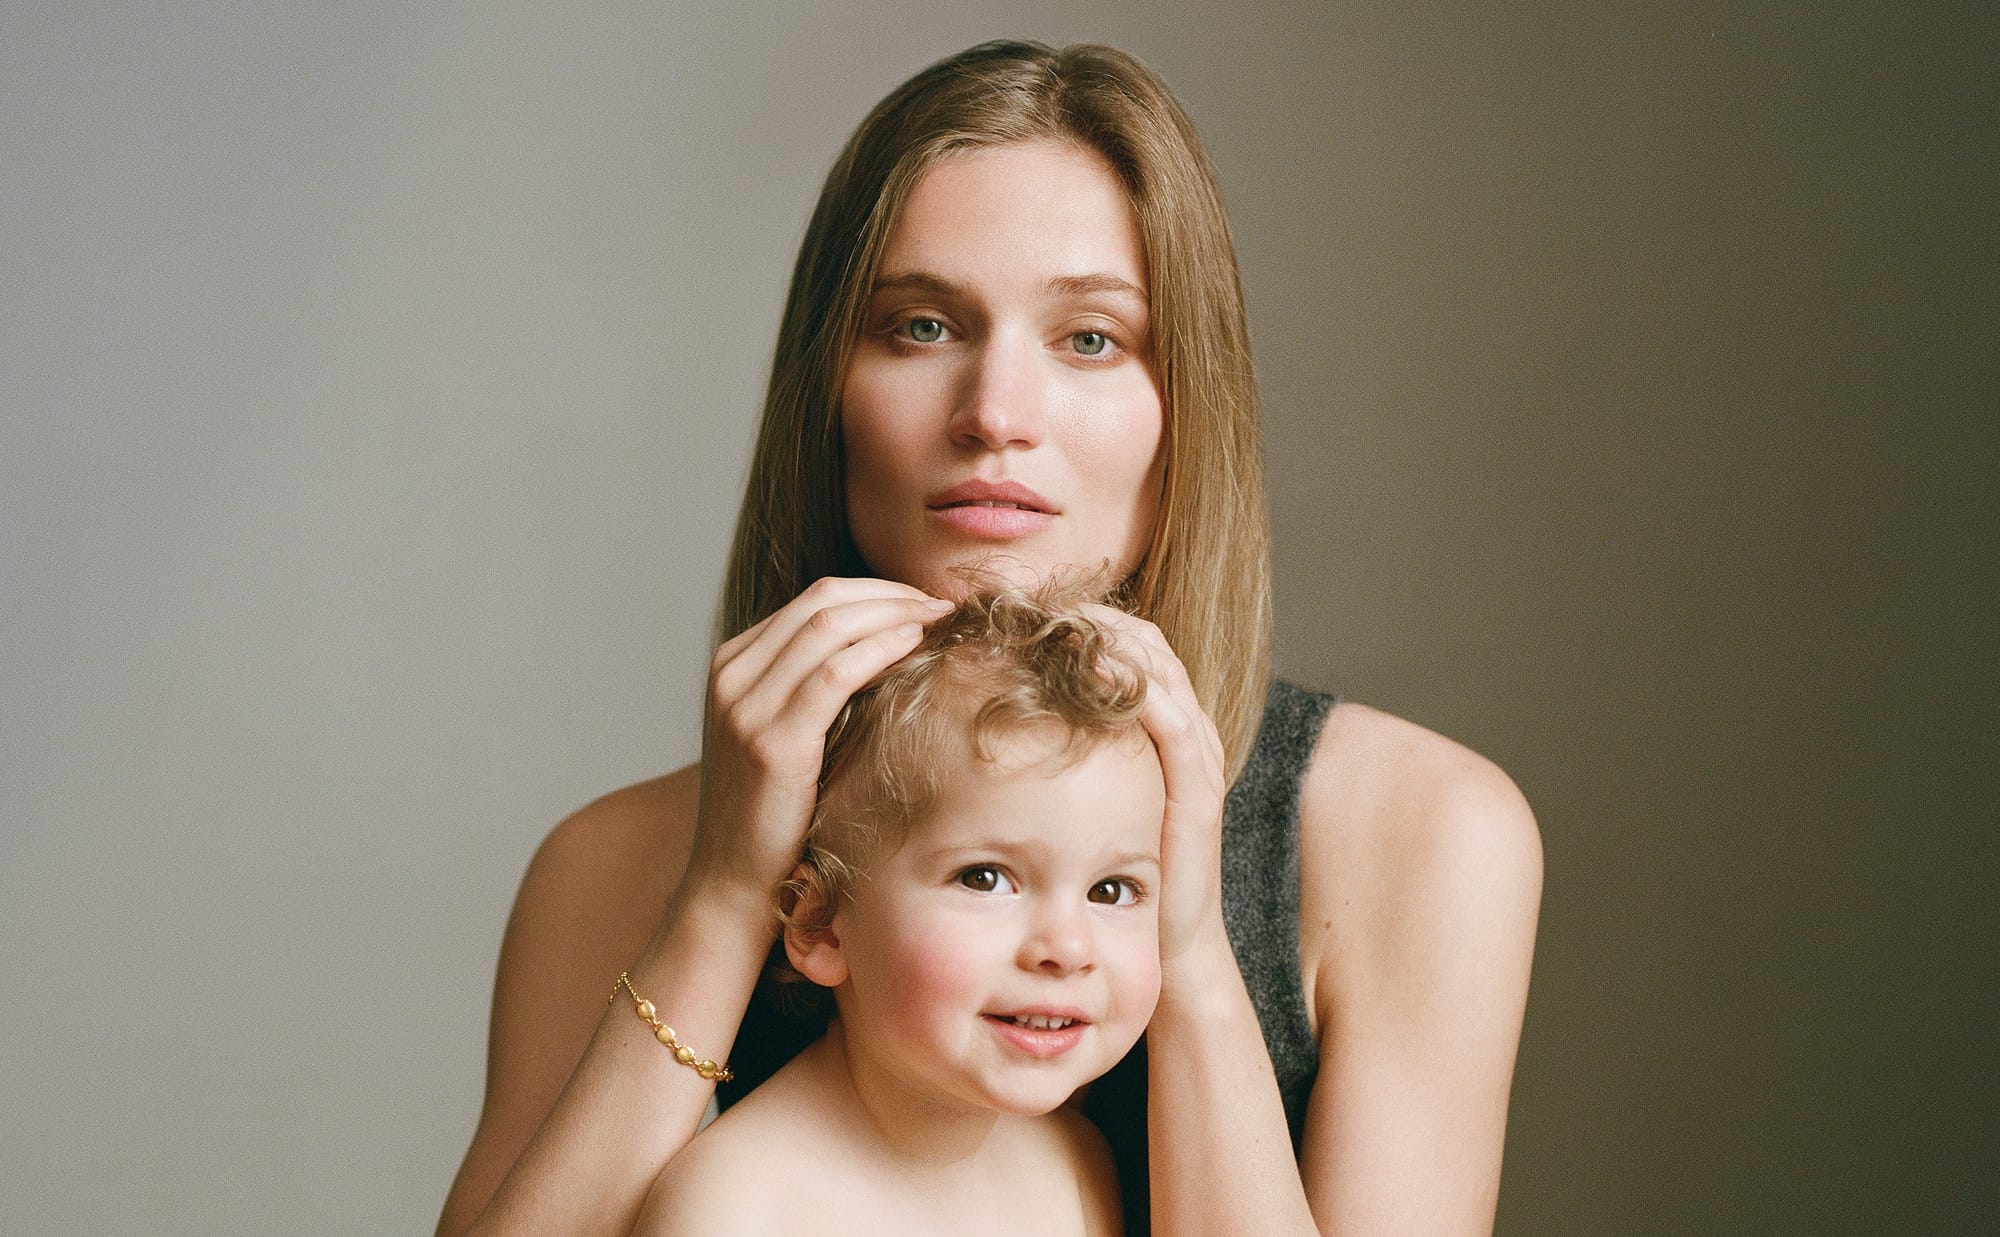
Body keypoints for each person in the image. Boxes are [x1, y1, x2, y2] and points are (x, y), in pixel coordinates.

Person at [438, 39, 1541, 1237]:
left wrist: (1192, 960)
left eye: (1089, 338)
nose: (994, 415)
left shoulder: (1420, 831)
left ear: (1185, 409)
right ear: (828, 392)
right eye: (920, 327)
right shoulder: (612, 863)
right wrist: (718, 900)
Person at [631, 582, 1162, 1236]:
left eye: (1112, 890)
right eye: (985, 878)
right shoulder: (736, 1206)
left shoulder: (1077, 1163)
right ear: (820, 926)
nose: (1069, 948)